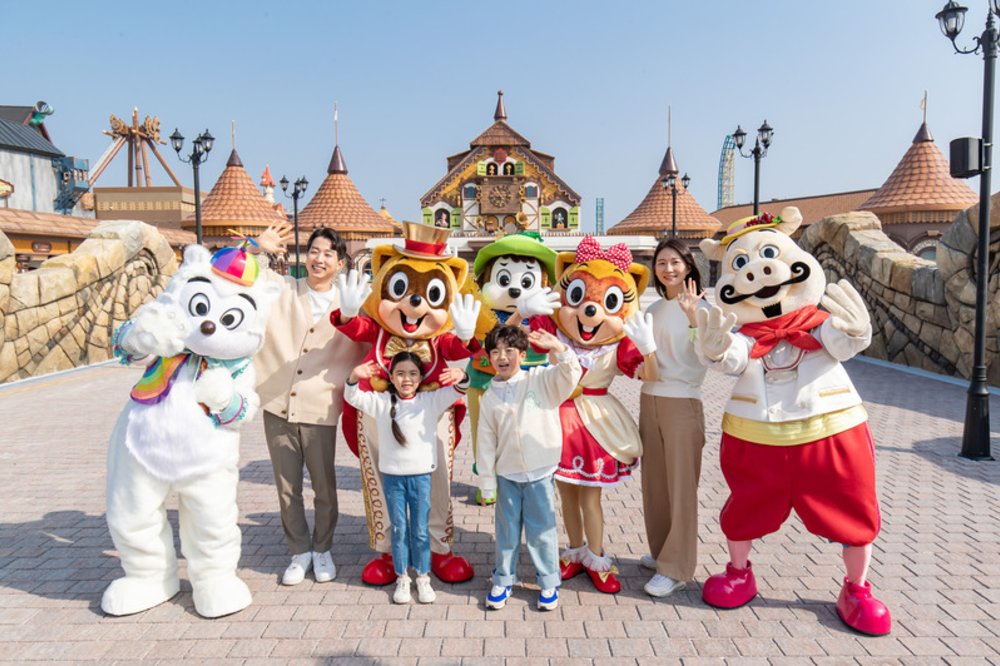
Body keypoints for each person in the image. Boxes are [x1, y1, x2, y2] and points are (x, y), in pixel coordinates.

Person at [253, 223, 367, 586]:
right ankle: (298, 550)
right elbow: (243, 278)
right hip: (277, 401)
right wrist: (258, 249)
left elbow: (371, 341)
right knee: (287, 485)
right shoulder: (282, 289)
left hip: (320, 405)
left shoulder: (350, 303)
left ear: (340, 262)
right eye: (314, 251)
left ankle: (322, 549)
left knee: (323, 484)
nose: (319, 259)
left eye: (328, 254)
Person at [344, 353, 469, 604]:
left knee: (421, 530)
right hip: (393, 478)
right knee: (400, 529)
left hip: (422, 476)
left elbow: (459, 390)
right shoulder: (380, 402)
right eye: (400, 373)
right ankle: (403, 577)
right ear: (391, 377)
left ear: (421, 378)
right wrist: (353, 377)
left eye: (412, 374)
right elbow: (353, 396)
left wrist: (462, 376)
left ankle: (423, 577)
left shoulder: (429, 400)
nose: (406, 379)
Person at [477, 325, 582, 611]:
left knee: (542, 530)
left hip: (540, 472)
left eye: (509, 351)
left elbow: (570, 374)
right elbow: (485, 443)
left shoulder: (540, 380)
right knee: (507, 531)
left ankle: (548, 583)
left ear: (522, 355)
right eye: (496, 351)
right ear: (488, 357)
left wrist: (559, 349)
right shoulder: (489, 397)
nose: (502, 357)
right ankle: (503, 579)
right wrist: (487, 483)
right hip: (507, 475)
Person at [638, 238, 709, 598]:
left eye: (675, 262)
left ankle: (677, 567)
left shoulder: (701, 308)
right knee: (655, 484)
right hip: (649, 400)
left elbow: (708, 355)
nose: (668, 269)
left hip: (683, 401)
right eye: (661, 263)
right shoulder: (652, 311)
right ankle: (662, 550)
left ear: (689, 265)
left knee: (681, 487)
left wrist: (696, 319)